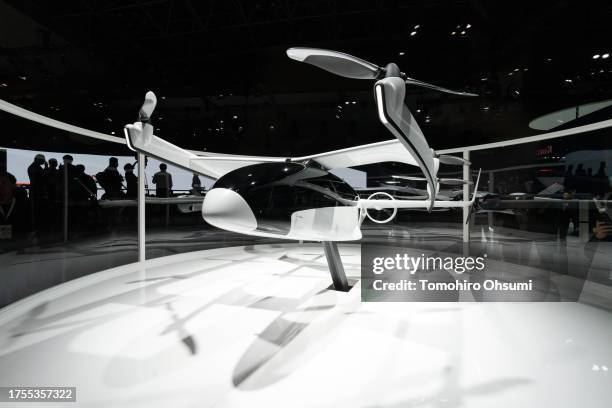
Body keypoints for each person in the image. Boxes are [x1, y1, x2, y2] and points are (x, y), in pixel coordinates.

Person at [0, 171, 31, 239]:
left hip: (18, 245)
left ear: (13, 186)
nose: (0, 186)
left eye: (4, 183)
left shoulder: (24, 205)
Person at [27, 153, 47, 229]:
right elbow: (43, 176)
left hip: (36, 190)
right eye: (42, 161)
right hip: (37, 191)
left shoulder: (34, 167)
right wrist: (46, 168)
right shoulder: (35, 168)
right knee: (36, 209)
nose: (43, 162)